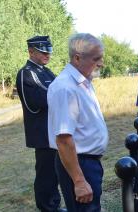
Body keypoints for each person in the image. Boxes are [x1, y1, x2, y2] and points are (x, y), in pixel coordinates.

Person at [47, 33, 108, 211]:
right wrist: (79, 181)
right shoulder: (65, 88)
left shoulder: (83, 81)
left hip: (88, 162)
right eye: (96, 59)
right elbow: (64, 140)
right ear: (77, 58)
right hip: (79, 163)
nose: (101, 63)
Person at [15, 35, 64, 212]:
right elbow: (38, 101)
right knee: (46, 174)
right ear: (31, 51)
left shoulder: (46, 71)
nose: (47, 55)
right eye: (42, 51)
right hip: (42, 133)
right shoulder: (26, 73)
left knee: (56, 172)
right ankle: (47, 208)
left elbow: (60, 90)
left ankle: (54, 205)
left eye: (48, 51)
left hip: (54, 130)